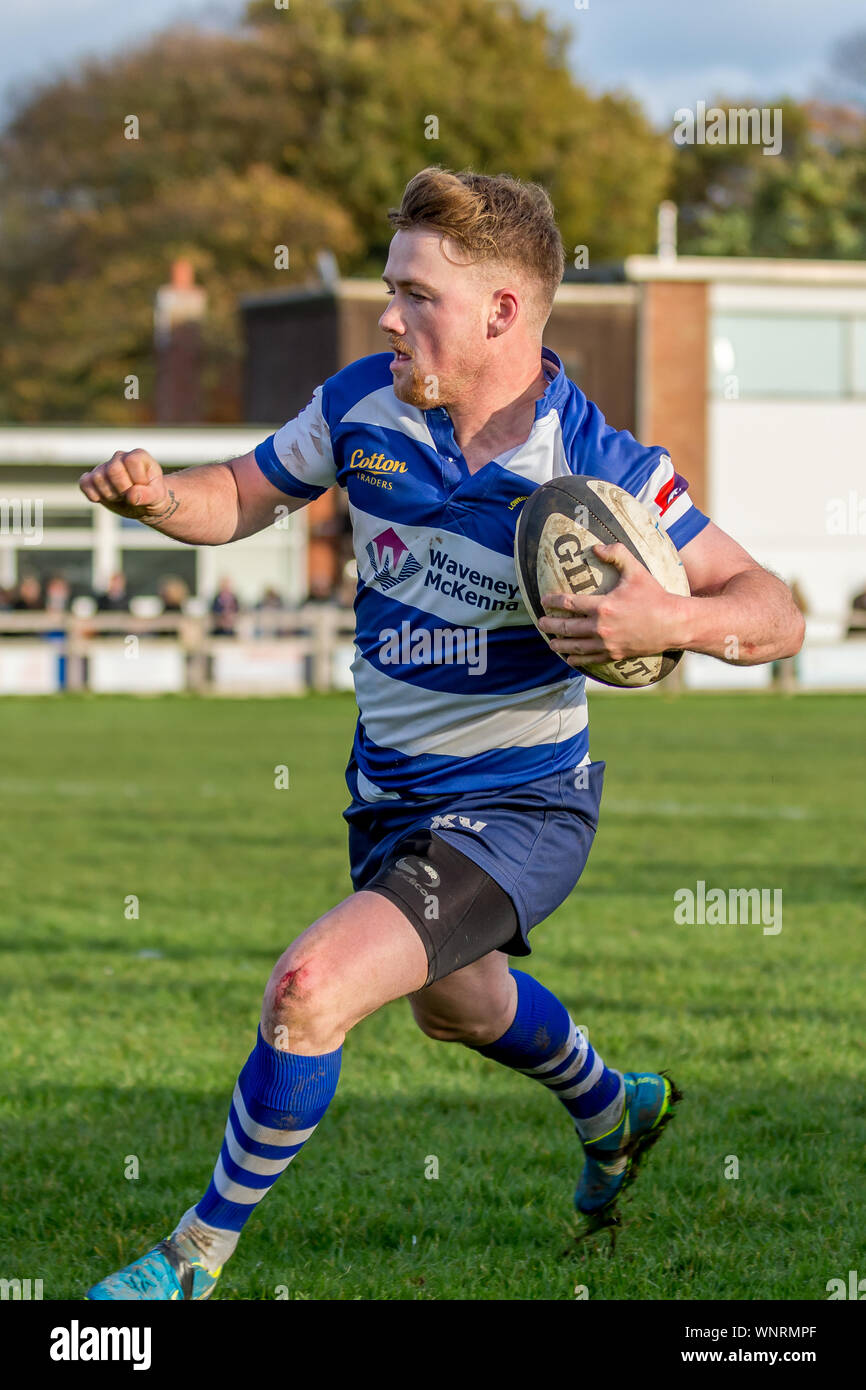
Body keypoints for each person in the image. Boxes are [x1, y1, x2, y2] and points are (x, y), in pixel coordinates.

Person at [78, 167, 805, 1301]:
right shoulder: (362, 401)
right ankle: (614, 1107)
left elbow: (773, 609)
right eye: (389, 288)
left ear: (501, 312)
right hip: (390, 798)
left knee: (310, 987)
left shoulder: (593, 468)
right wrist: (156, 498)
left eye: (414, 293)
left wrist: (674, 619)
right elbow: (241, 492)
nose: (386, 315)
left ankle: (188, 1259)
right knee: (452, 1004)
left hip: (522, 806)